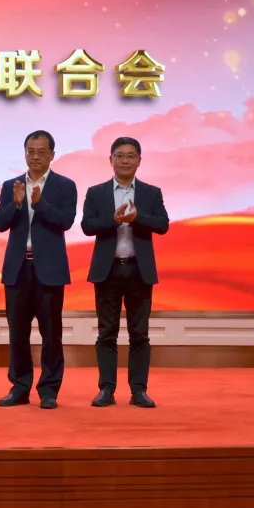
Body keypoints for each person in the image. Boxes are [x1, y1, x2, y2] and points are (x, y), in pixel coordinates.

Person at [80, 136, 169, 409]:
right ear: (111, 160)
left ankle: (139, 391)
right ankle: (106, 389)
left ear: (139, 161)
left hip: (138, 271)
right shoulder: (96, 192)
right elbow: (87, 226)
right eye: (120, 155)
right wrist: (115, 219)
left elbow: (163, 224)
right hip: (107, 272)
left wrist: (136, 218)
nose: (125, 160)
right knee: (106, 333)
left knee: (139, 334)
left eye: (131, 156)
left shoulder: (151, 193)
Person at [0, 130, 77, 410]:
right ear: (25, 153)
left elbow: (65, 221)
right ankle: (20, 387)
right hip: (18, 269)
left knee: (51, 333)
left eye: (41, 152)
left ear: (52, 154)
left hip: (49, 270)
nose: (35, 156)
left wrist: (40, 205)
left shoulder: (65, 186)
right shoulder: (12, 186)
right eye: (31, 151)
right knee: (18, 333)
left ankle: (49, 390)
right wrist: (16, 204)